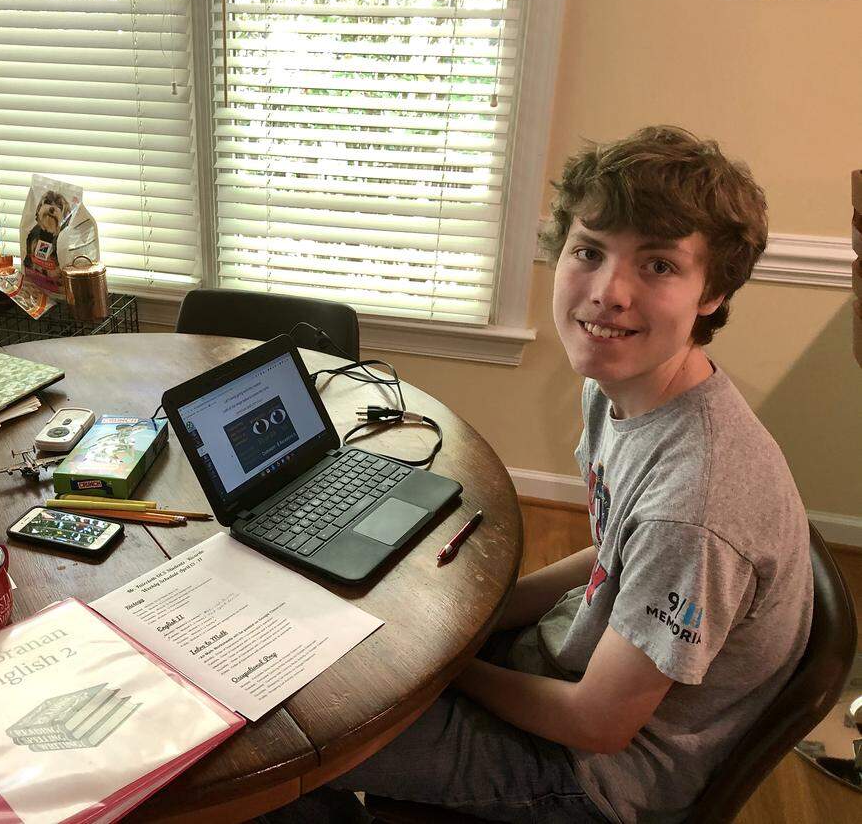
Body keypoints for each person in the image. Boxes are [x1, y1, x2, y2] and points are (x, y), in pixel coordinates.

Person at [262, 126, 814, 824]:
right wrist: (470, 625)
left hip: (596, 776)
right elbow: (612, 552)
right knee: (345, 667)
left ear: (714, 291)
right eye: (589, 251)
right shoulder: (618, 389)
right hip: (566, 671)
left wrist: (442, 668)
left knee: (292, 735)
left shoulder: (695, 507)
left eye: (659, 266)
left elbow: (597, 725)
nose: (608, 293)